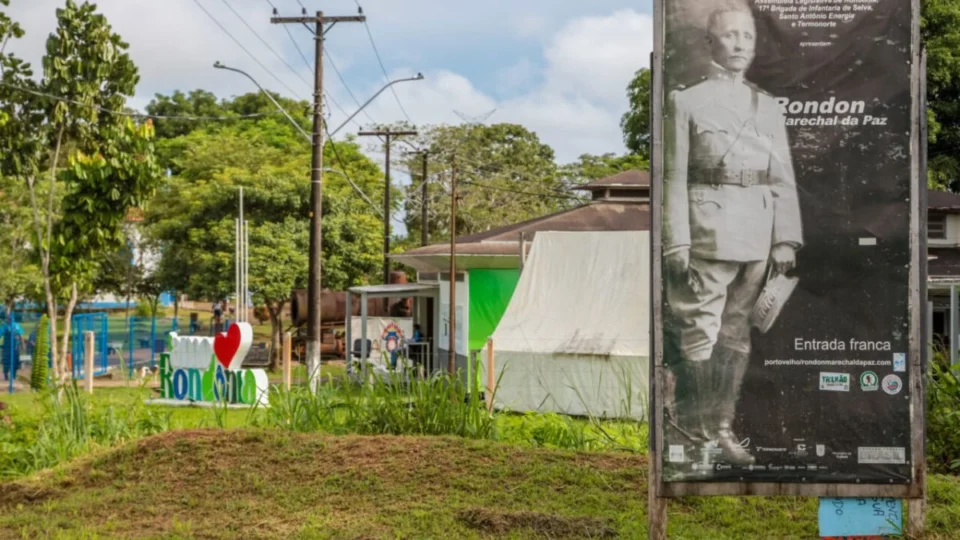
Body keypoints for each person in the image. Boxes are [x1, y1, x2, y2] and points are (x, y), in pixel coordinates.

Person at [663, 6, 803, 466]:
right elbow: (674, 177)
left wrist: (785, 239)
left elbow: (781, 178)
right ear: (710, 44)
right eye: (729, 36)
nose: (741, 44)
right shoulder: (686, 101)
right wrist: (677, 239)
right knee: (701, 332)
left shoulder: (767, 105)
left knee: (737, 333)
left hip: (758, 232)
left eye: (747, 36)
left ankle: (721, 430)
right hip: (707, 231)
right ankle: (698, 434)